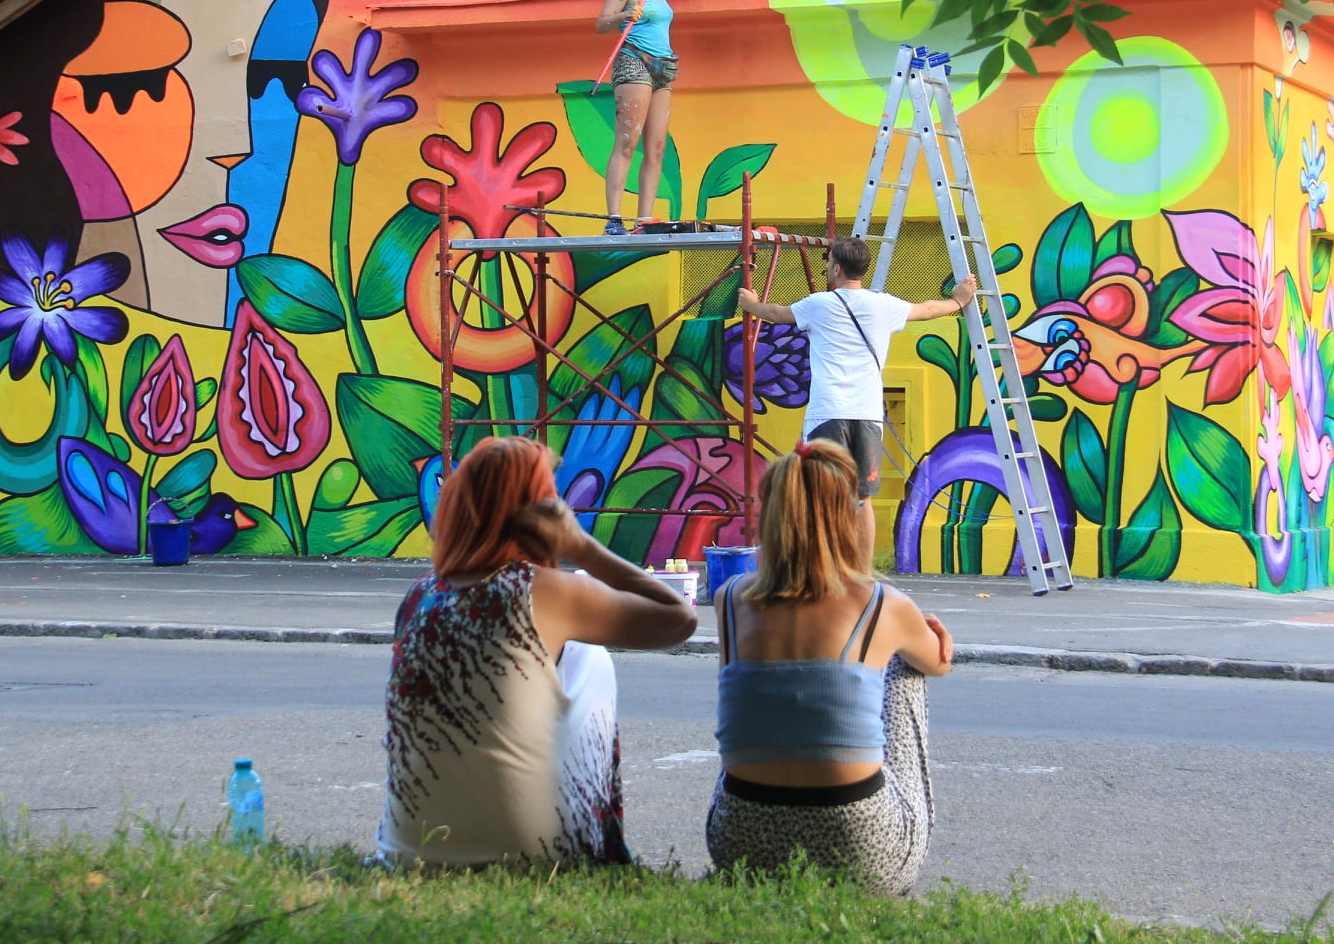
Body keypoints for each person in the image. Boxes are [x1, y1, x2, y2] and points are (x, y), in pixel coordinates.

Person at [377, 435, 698, 867]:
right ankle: (592, 843)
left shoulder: (417, 597)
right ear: (540, 514)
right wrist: (581, 547)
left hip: (409, 850)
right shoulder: (545, 592)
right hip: (532, 853)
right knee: (587, 654)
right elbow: (679, 618)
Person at [707, 440, 954, 894]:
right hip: (864, 851)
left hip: (740, 844)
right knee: (905, 671)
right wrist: (937, 640)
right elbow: (937, 663)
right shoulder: (883, 605)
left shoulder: (729, 600)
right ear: (849, 515)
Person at [737, 235, 977, 542]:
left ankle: (824, 565)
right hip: (868, 416)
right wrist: (959, 299)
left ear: (837, 268)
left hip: (827, 414)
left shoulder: (818, 305)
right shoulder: (883, 305)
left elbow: (775, 314)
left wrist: (750, 303)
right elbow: (929, 309)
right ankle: (862, 572)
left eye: (828, 262)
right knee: (863, 499)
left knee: (820, 495)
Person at [595, 0, 704, 235]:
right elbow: (601, 24)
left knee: (656, 145)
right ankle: (614, 218)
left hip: (664, 66)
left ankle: (645, 218)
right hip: (634, 61)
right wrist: (625, 14)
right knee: (628, 140)